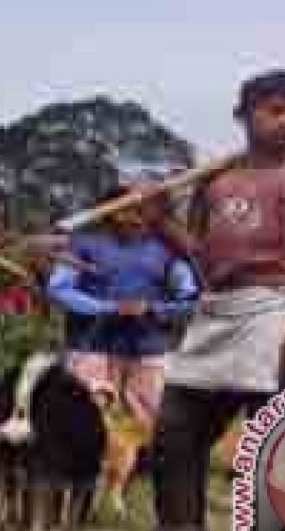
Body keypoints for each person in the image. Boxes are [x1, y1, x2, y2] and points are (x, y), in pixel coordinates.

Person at [147, 70, 285, 531]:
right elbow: (201, 254)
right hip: (216, 310)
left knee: (276, 433)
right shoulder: (216, 180)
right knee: (175, 427)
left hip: (277, 305)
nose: (282, 119)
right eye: (270, 109)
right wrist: (161, 221)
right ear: (243, 115)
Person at [44, 181, 200, 428]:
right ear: (112, 212)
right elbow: (58, 288)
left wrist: (152, 309)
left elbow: (189, 299)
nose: (135, 215)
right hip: (92, 346)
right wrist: (107, 308)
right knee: (87, 421)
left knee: (159, 425)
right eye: (128, 207)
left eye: (142, 208)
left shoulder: (167, 252)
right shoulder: (83, 245)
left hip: (150, 349)